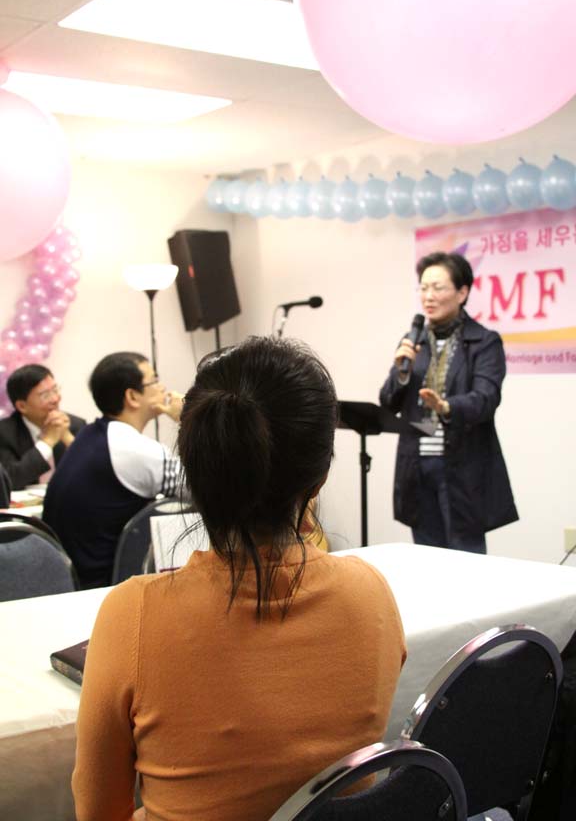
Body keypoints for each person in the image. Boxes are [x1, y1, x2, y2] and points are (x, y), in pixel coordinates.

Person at [72, 337, 406, 821]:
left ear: (195, 474)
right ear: (317, 481)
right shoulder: (370, 591)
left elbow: (98, 809)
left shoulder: (134, 613)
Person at [380, 251, 518, 554]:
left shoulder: (484, 342)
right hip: (418, 466)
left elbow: (486, 399)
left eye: (438, 288)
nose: (428, 296)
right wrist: (401, 373)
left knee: (466, 559)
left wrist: (446, 407)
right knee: (426, 558)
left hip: (463, 467)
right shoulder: (413, 341)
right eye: (423, 288)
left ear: (462, 292)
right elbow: (388, 402)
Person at [43, 352, 183, 588]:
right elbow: (210, 487)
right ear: (132, 396)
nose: (163, 388)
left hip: (70, 576)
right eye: (154, 380)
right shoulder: (133, 448)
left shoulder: (93, 433)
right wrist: (187, 419)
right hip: (102, 585)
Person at [0, 364, 85, 490]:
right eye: (45, 395)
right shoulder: (4, 432)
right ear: (22, 406)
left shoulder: (75, 424)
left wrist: (67, 437)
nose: (55, 399)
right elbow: (9, 480)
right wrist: (48, 441)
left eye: (55, 390)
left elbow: (93, 472)